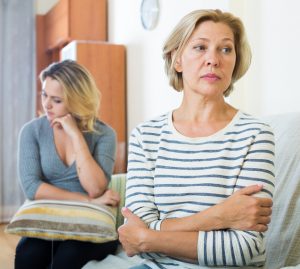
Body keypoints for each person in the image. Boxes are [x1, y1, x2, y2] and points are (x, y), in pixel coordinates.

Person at [118, 9, 275, 269]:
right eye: (200, 47)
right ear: (176, 59)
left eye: (225, 49)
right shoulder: (146, 136)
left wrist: (151, 238)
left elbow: (243, 249)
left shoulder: (256, 134)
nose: (213, 59)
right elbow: (135, 235)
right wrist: (219, 216)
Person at [15, 60, 120, 269]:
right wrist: (88, 201)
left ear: (77, 100)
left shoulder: (105, 134)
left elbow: (95, 188)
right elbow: (32, 187)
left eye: (56, 100)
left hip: (90, 224)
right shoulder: (31, 131)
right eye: (44, 95)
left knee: (65, 261)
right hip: (51, 217)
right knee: (27, 255)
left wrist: (76, 135)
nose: (46, 105)